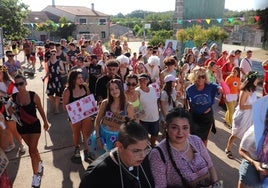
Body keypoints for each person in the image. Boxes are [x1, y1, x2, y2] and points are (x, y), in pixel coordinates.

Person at [149, 107, 220, 188]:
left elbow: (210, 166)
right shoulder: (158, 155)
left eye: (185, 127)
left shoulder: (196, 141)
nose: (180, 132)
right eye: (174, 127)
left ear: (190, 127)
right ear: (166, 127)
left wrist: (217, 185)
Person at [80, 120, 154, 188]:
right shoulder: (96, 174)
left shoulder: (147, 158)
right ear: (119, 146)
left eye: (146, 149)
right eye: (136, 151)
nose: (143, 155)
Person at [11, 74, 49, 188]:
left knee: (32, 151)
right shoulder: (13, 97)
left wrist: (45, 122)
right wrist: (10, 108)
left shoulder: (33, 96)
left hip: (34, 126)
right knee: (33, 149)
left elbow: (41, 110)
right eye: (16, 84)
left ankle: (35, 176)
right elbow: (11, 113)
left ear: (26, 83)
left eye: (21, 83)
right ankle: (40, 162)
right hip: (22, 127)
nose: (19, 86)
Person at [93, 79, 134, 154]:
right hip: (104, 137)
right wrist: (98, 137)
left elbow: (130, 127)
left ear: (121, 89)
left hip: (120, 138)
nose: (114, 91)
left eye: (116, 88)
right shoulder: (105, 103)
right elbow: (97, 120)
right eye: (111, 89)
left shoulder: (129, 106)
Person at [225, 71, 259, 159]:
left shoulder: (254, 90)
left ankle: (245, 154)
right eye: (257, 79)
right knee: (235, 134)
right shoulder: (245, 91)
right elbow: (241, 106)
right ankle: (228, 149)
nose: (258, 80)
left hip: (250, 116)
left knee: (248, 135)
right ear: (252, 80)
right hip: (242, 116)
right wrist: (254, 106)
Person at [186, 66, 223, 146]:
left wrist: (220, 82)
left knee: (204, 140)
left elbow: (221, 89)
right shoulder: (189, 89)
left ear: (205, 77)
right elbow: (187, 102)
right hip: (194, 117)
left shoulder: (210, 86)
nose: (200, 79)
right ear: (194, 77)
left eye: (203, 77)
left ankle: (202, 156)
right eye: (198, 77)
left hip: (206, 118)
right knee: (192, 139)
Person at [62, 69, 93, 162]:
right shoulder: (67, 91)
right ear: (73, 80)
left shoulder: (85, 87)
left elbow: (89, 99)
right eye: (78, 78)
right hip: (74, 117)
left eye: (81, 77)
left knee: (87, 133)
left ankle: (87, 151)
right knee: (76, 133)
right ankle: (77, 148)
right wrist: (75, 108)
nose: (81, 79)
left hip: (86, 115)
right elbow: (64, 107)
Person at [0, 65, 24, 153]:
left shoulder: (10, 83)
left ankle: (21, 145)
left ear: (3, 73)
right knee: (5, 128)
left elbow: (17, 97)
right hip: (0, 111)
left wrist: (4, 94)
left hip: (9, 109)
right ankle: (11, 144)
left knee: (13, 128)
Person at [136, 74, 159, 147]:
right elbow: (136, 105)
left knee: (155, 135)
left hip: (155, 117)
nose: (142, 81)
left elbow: (156, 100)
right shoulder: (137, 91)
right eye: (140, 80)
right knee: (143, 138)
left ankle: (152, 147)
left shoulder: (152, 88)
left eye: (144, 79)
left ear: (148, 80)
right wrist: (140, 115)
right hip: (144, 120)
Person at [44, 49, 65, 114]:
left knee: (58, 95)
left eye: (54, 54)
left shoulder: (59, 62)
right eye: (51, 54)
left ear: (56, 54)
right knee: (49, 94)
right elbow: (48, 72)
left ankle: (56, 109)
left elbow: (63, 71)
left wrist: (59, 71)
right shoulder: (48, 62)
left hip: (58, 80)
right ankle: (56, 103)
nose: (52, 55)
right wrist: (44, 77)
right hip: (51, 80)